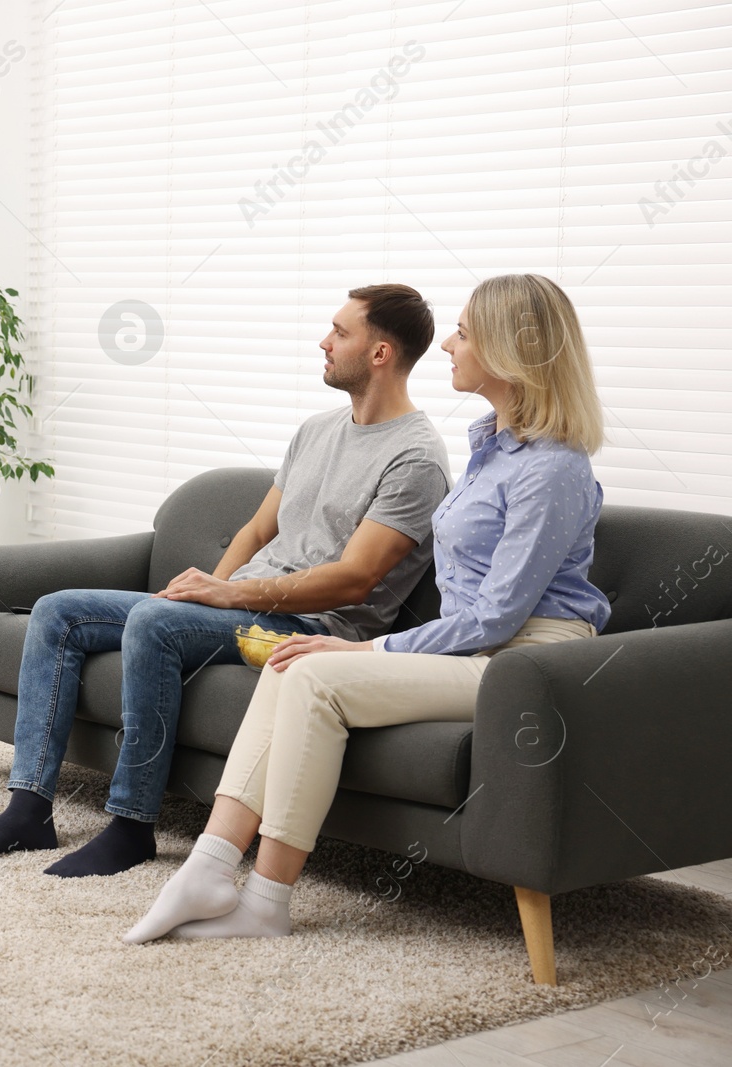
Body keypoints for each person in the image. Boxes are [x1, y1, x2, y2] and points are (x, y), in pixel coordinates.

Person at [124, 273, 610, 943]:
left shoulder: (554, 468)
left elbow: (498, 616)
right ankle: (211, 865)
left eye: (464, 333)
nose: (447, 344)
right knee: (290, 663)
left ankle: (265, 899)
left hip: (528, 663)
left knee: (316, 673)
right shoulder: (491, 453)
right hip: (475, 651)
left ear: (509, 350)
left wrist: (362, 647)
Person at [0, 284, 452, 877]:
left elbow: (354, 580)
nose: (325, 340)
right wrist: (204, 590)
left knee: (156, 624)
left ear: (380, 353)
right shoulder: (317, 430)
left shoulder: (416, 459)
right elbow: (257, 531)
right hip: (244, 607)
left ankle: (132, 825)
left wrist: (227, 596)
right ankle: (29, 808)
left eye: (340, 332)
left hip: (308, 627)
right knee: (59, 611)